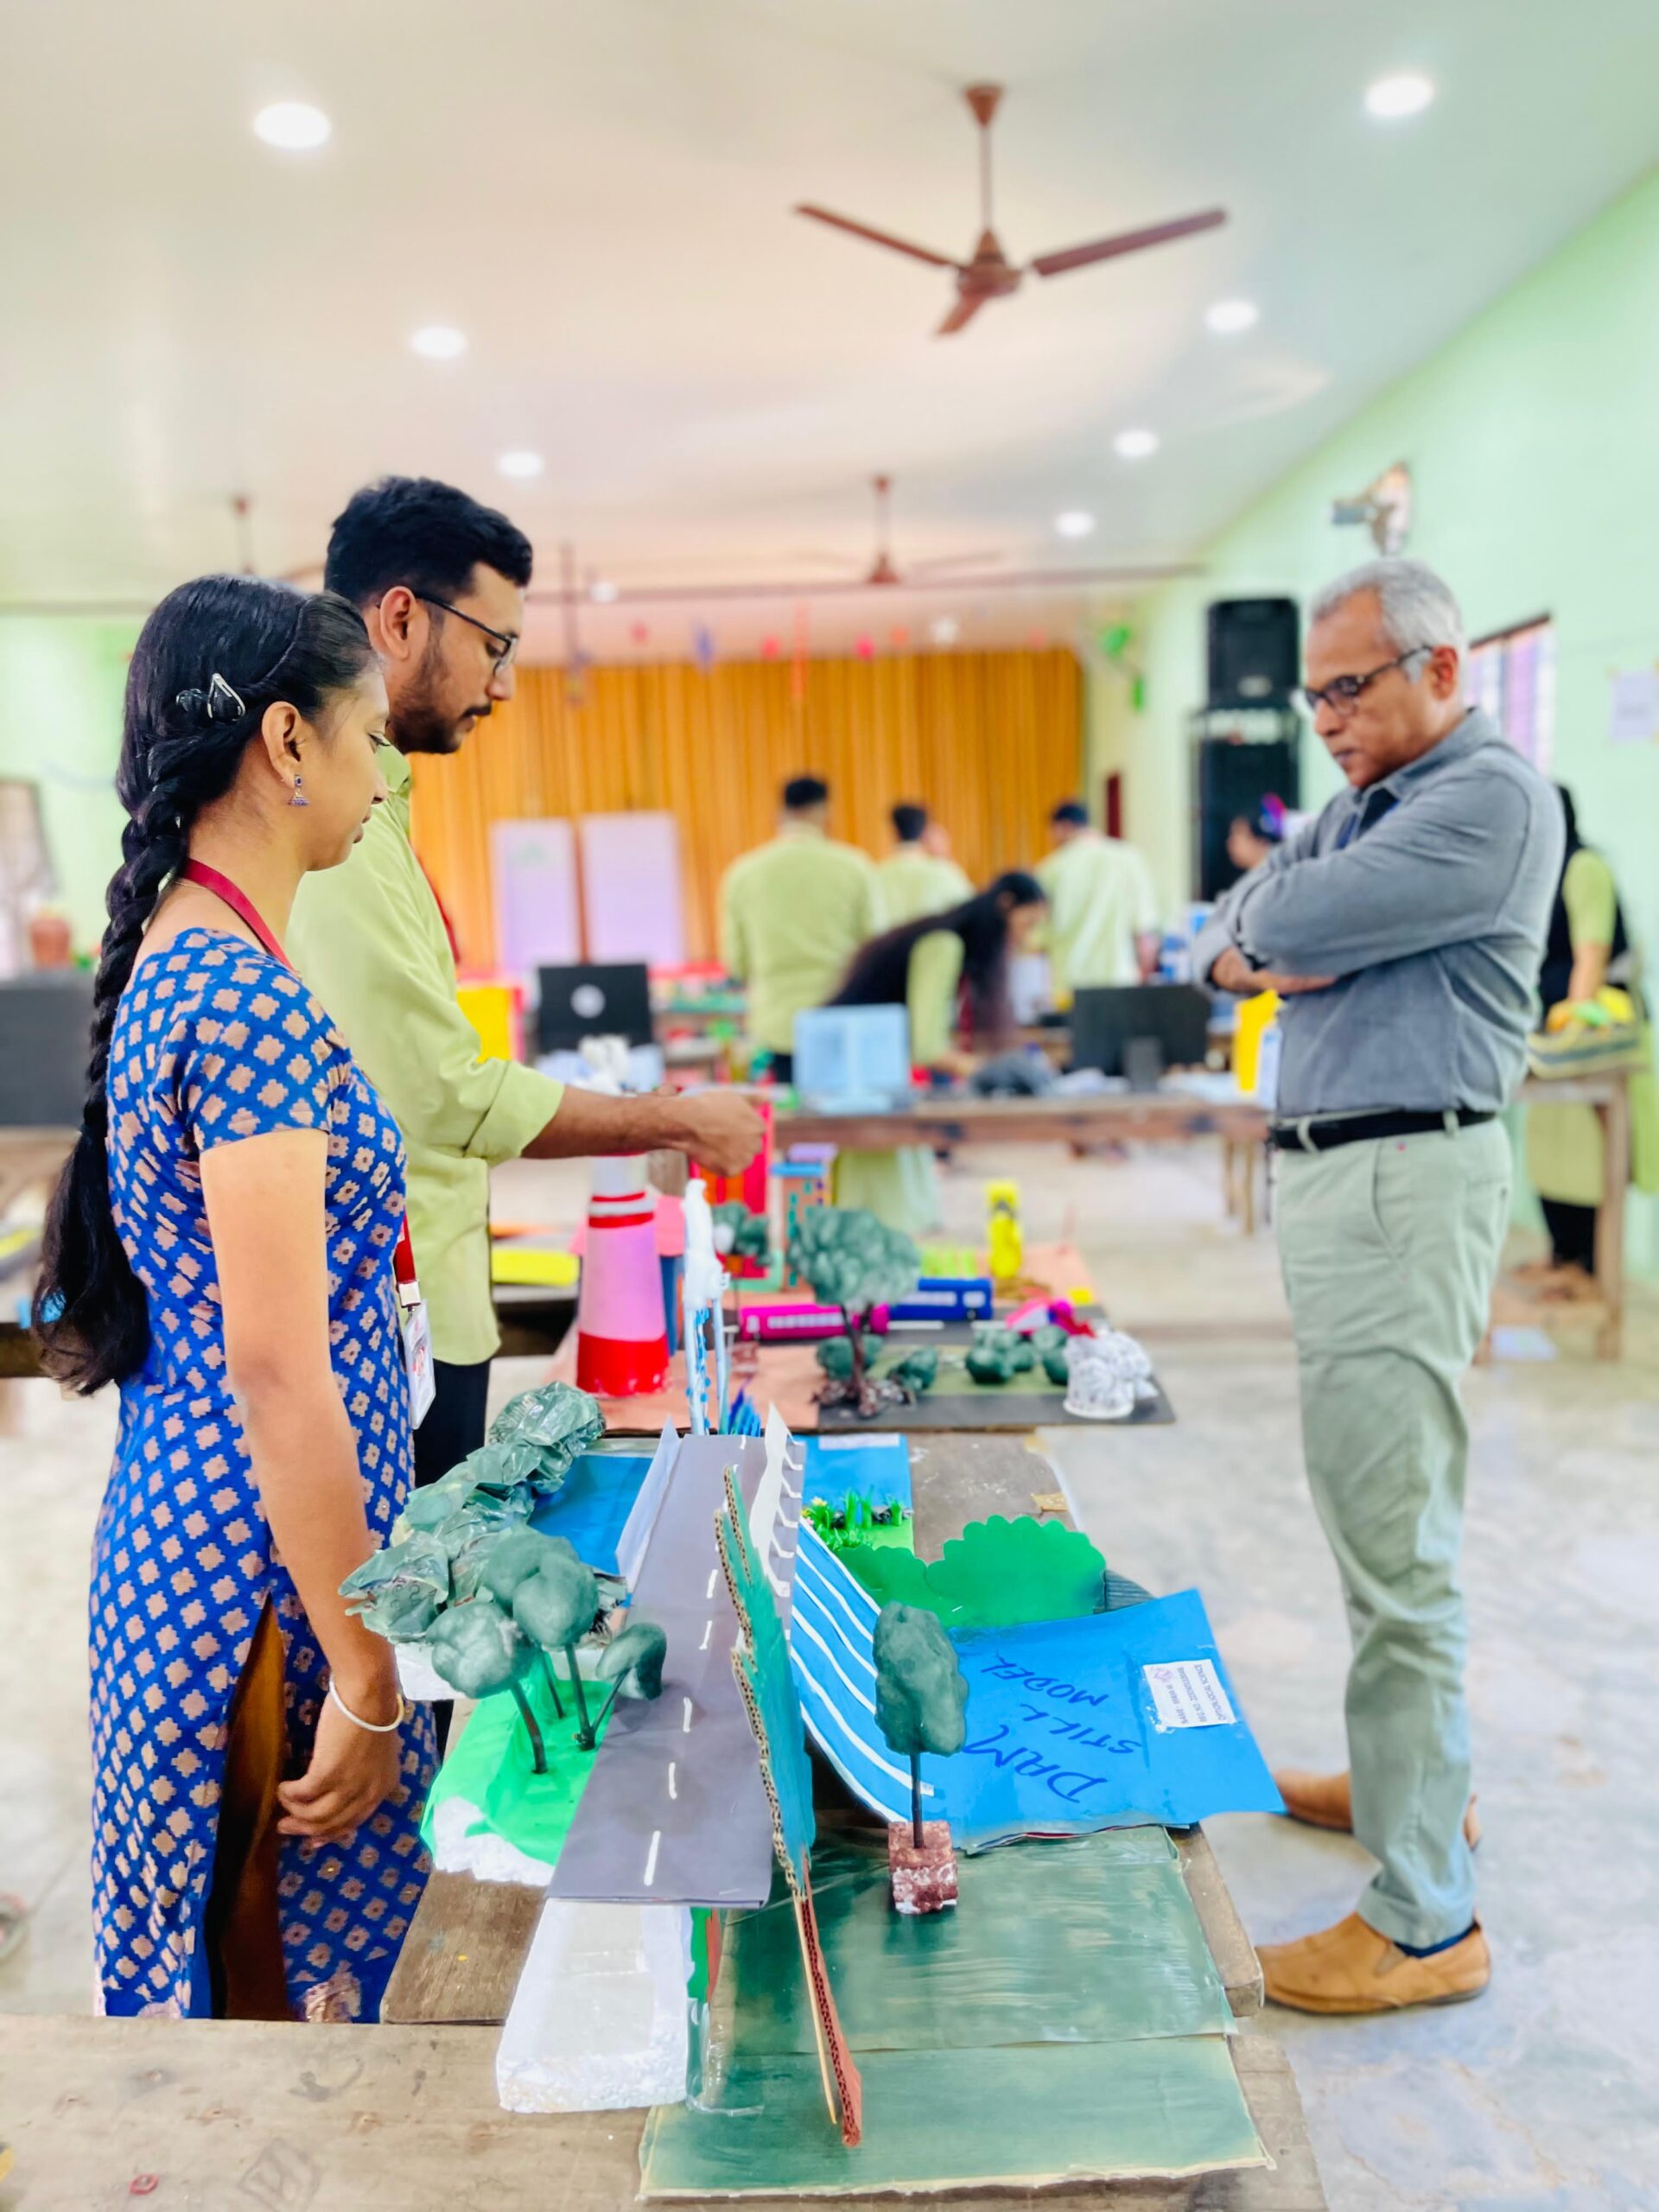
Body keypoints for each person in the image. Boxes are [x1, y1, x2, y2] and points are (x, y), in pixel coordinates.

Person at [35, 575, 431, 2022]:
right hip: (263, 1585)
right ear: (287, 740)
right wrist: (367, 1676)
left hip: (205, 1542)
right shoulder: (247, 1003)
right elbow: (277, 1367)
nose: (383, 778)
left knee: (235, 1991)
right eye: (370, 737)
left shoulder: (185, 957)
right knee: (296, 2015)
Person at [1192, 556, 1562, 2015]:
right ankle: (1407, 1779)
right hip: (1348, 1179)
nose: (1327, 720)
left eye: (1349, 688)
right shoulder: (1362, 808)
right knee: (1368, 1511)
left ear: (1443, 668)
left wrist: (1282, 939)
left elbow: (1275, 930)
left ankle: (1425, 1922)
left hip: (1407, 1178)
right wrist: (1277, 939)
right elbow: (1238, 922)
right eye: (1315, 698)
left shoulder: (1490, 800)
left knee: (1399, 1537)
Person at [289, 480, 761, 1509]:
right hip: (391, 1318)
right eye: (494, 645)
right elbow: (438, 1096)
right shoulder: (337, 833)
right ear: (401, 618)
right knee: (410, 1597)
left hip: (421, 1296)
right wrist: (671, 1118)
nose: (502, 685)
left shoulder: (378, 812)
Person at [824, 872, 1047, 1232]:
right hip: (862, 1079)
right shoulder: (944, 945)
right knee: (885, 1209)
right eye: (1028, 923)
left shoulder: (944, 937)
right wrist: (984, 1069)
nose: (1028, 937)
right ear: (1005, 906)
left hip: (868, 1071)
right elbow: (926, 1046)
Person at [1522, 785, 1658, 1294]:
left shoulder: (1585, 867)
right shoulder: (1541, 875)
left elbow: (1591, 955)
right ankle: (1564, 1256)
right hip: (1555, 1029)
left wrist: (1573, 1034)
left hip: (1592, 1031)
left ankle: (1592, 1269)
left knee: (1592, 1153)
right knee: (1553, 1147)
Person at [719, 775, 881, 1078]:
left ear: (781, 814)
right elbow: (875, 949)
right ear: (826, 813)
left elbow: (737, 964)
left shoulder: (743, 873)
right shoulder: (855, 867)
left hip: (777, 1024)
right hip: (841, 1016)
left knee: (791, 1106)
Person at [1035, 801, 1160, 1004]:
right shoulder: (1129, 859)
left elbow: (1038, 942)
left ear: (1063, 827)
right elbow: (1145, 935)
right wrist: (1143, 975)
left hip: (1069, 988)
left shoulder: (1050, 870)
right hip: (1120, 983)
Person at [877, 802, 973, 926]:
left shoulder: (877, 875)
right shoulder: (944, 872)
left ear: (894, 830)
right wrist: (945, 856)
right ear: (925, 831)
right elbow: (969, 910)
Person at [1225, 797, 1287, 877]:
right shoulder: (1254, 880)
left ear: (1262, 841)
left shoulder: (1283, 877)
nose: (1230, 842)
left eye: (1238, 833)